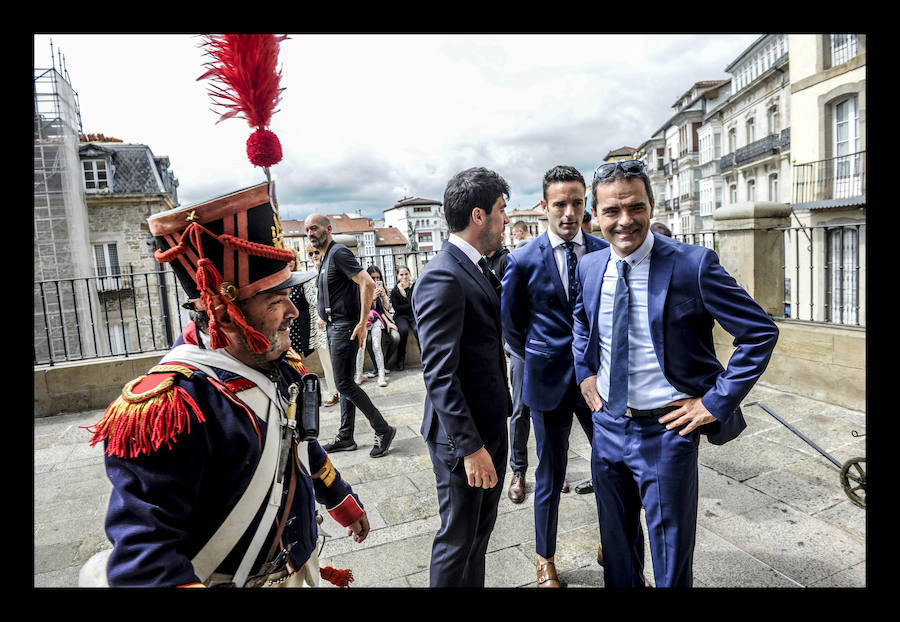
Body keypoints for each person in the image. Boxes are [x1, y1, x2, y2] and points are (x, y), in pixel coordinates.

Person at [84, 183, 370, 587]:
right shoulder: (171, 407)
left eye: (290, 295)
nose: (293, 311)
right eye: (276, 301)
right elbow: (147, 561)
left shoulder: (279, 360)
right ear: (225, 312)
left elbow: (299, 446)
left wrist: (341, 499)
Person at [573, 159, 779, 587]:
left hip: (667, 433)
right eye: (612, 211)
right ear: (595, 215)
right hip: (607, 428)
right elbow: (581, 321)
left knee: (669, 564)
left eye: (635, 207)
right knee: (617, 554)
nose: (625, 221)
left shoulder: (693, 264)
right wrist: (585, 371)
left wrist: (713, 403)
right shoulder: (590, 267)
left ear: (652, 205)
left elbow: (759, 333)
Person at [500, 165, 608, 587]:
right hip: (546, 383)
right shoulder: (522, 259)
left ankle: (614, 546)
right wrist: (539, 358)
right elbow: (511, 325)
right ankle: (545, 559)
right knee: (549, 474)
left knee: (612, 468)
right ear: (545, 206)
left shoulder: (602, 251)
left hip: (598, 382)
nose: (568, 212)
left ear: (587, 205)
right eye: (560, 204)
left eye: (577, 203)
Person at [412, 166, 512, 587]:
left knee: (478, 537)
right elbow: (439, 374)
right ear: (478, 215)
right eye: (501, 210)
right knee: (456, 542)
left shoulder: (472, 265)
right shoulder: (443, 274)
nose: (506, 219)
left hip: (488, 427)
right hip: (463, 441)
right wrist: (471, 449)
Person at [304, 213, 397, 458]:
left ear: (328, 228)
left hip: (346, 327)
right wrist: (325, 314)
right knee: (344, 380)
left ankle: (383, 429)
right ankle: (346, 436)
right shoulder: (325, 258)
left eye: (314, 228)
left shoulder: (339, 253)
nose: (310, 233)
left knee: (343, 383)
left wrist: (362, 323)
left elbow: (366, 283)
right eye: (307, 230)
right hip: (335, 325)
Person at [290, 246, 339, 407]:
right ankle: (333, 392)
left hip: (336, 319)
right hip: (320, 323)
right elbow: (313, 298)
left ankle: (344, 390)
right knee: (326, 359)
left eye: (317, 252)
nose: (314, 256)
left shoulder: (331, 269)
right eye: (310, 253)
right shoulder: (308, 275)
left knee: (339, 358)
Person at [355, 265, 400, 387]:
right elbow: (361, 309)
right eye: (373, 277)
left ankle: (381, 375)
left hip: (377, 321)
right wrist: (371, 298)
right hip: (363, 321)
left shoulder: (381, 288)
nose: (375, 280)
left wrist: (383, 296)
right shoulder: (362, 288)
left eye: (378, 277)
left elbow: (383, 309)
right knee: (361, 347)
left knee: (377, 345)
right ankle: (358, 374)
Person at [389, 265, 419, 371]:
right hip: (401, 316)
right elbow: (397, 308)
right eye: (401, 274)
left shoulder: (414, 287)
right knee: (403, 330)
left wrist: (408, 292)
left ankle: (425, 358)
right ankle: (400, 359)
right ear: (397, 276)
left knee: (417, 330)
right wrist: (407, 299)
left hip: (412, 316)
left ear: (409, 274)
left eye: (406, 274)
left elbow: (416, 303)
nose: (404, 277)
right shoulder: (395, 290)